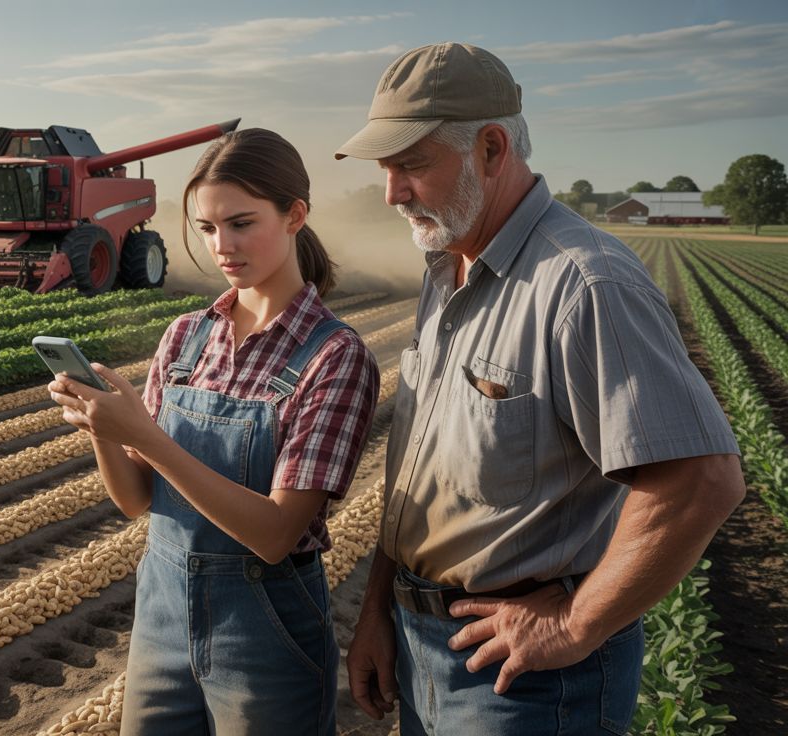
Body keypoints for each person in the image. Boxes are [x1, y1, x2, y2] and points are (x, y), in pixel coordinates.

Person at [333, 42, 746, 735]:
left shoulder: (586, 283)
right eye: (385, 169)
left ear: (491, 148)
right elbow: (417, 475)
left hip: (526, 683)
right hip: (422, 642)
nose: (393, 193)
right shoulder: (448, 267)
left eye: (410, 165)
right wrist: (380, 607)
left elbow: (702, 480)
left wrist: (578, 623)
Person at [46, 127, 380, 735]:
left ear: (295, 215)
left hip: (266, 632)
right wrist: (103, 424)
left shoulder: (335, 357)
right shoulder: (185, 336)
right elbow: (136, 500)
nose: (221, 246)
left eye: (241, 223)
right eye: (206, 227)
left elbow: (277, 533)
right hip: (161, 619)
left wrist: (145, 435)